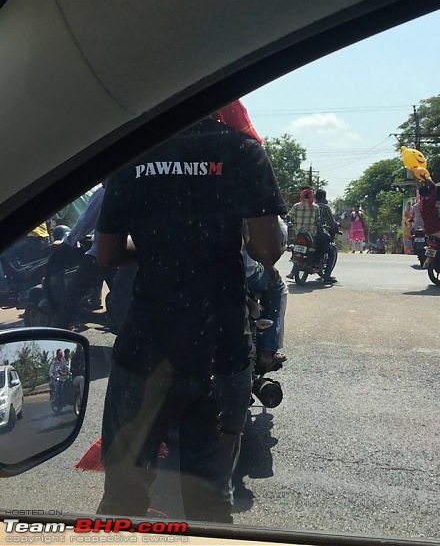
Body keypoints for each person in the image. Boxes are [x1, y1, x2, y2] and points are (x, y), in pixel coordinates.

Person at [95, 107, 286, 523]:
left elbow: (107, 255)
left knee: (122, 498)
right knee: (210, 501)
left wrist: (163, 246)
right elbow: (267, 252)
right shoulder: (242, 150)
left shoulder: (132, 152)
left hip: (146, 349)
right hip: (221, 351)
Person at [53, 184, 116, 329]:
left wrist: (68, 241)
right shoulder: (131, 186)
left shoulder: (103, 193)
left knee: (71, 294)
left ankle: (59, 331)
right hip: (126, 252)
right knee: (122, 293)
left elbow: (85, 221)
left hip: (101, 251)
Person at [243, 216, 288, 372]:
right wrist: (269, 266)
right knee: (277, 286)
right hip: (245, 272)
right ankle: (267, 352)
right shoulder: (253, 200)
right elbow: (278, 234)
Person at [314, 188, 338, 284]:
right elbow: (331, 222)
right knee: (331, 253)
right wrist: (335, 226)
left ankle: (293, 271)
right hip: (319, 233)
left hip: (307, 233)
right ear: (323, 197)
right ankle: (327, 276)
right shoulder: (325, 207)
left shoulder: (310, 206)